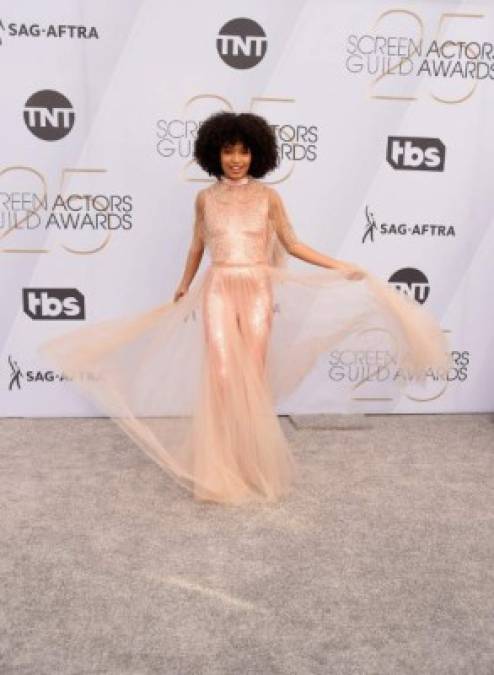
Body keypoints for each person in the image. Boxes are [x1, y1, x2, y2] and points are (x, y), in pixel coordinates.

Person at [38, 111, 452, 506]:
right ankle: (220, 467)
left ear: (258, 153)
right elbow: (198, 246)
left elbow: (292, 244)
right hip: (218, 286)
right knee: (220, 373)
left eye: (244, 151)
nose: (236, 160)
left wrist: (338, 265)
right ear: (213, 153)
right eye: (228, 151)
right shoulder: (204, 199)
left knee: (251, 373)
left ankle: (250, 464)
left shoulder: (269, 197)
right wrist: (183, 284)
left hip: (256, 288)